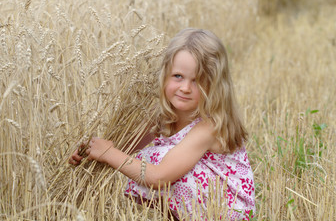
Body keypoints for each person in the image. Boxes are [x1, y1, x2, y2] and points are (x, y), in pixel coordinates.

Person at [69, 28, 255, 220]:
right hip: (202, 203)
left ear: (214, 86)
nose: (185, 88)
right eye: (178, 76)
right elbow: (124, 149)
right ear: (165, 74)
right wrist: (92, 153)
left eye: (197, 81)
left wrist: (108, 153)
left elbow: (159, 178)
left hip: (228, 211)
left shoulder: (210, 127)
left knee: (158, 161)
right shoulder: (162, 114)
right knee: (144, 160)